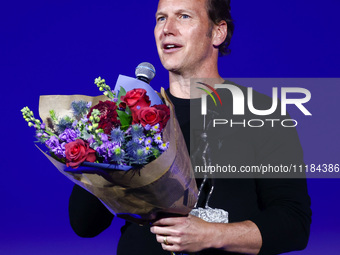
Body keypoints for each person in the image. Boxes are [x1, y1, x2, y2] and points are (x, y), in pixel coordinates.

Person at [69, 0, 312, 254]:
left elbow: (294, 224)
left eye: (184, 17)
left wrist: (211, 234)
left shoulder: (262, 113)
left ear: (218, 32)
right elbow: (84, 225)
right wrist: (103, 138)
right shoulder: (132, 117)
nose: (167, 29)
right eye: (161, 18)